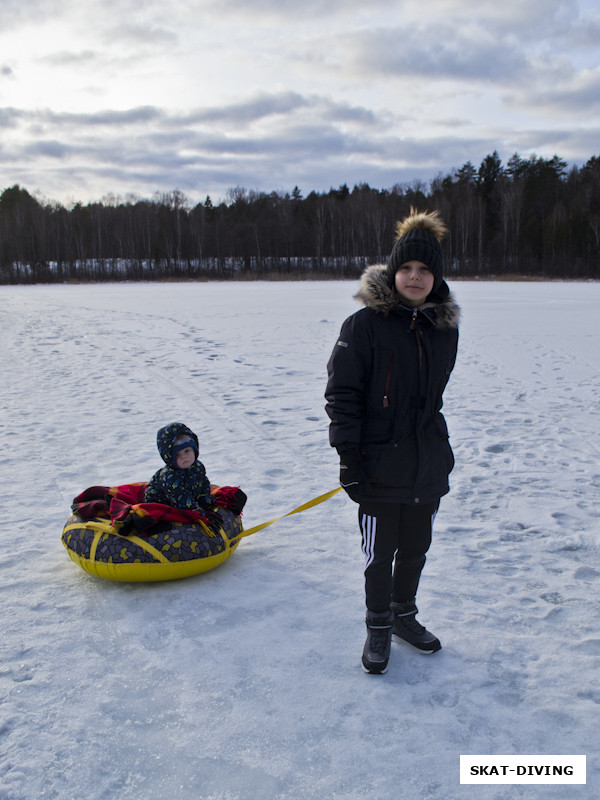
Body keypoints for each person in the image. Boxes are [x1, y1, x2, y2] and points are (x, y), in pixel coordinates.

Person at [325, 208, 460, 674]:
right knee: (380, 555)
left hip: (426, 464)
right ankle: (378, 625)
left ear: (436, 277)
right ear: (392, 271)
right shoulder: (362, 326)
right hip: (378, 467)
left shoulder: (444, 328)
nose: (415, 277)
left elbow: (432, 398)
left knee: (416, 549)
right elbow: (343, 396)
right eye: (406, 268)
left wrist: (438, 453)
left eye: (424, 270)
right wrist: (349, 458)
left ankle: (405, 616)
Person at [145, 422, 215, 512]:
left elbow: (203, 483)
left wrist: (205, 499)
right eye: (177, 455)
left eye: (187, 451)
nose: (184, 457)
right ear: (170, 458)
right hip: (163, 502)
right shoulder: (170, 476)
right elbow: (180, 498)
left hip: (186, 497)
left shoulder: (198, 467)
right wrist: (196, 511)